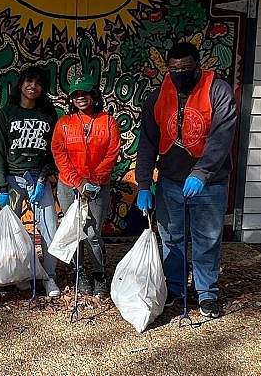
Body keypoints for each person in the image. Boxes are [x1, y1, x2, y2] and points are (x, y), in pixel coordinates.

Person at [134, 42, 237, 319]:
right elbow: (147, 143)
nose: (180, 72)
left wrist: (202, 172)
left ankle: (207, 293)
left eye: (186, 68)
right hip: (170, 181)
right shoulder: (157, 97)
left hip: (210, 183)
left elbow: (222, 137)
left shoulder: (218, 91)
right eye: (175, 68)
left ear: (197, 66)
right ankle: (176, 289)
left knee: (207, 239)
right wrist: (144, 184)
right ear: (168, 68)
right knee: (172, 239)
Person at [0, 66, 61, 297]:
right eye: (29, 82)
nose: (33, 87)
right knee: (14, 230)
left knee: (50, 228)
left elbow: (54, 149)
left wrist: (46, 174)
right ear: (21, 84)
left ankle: (49, 276)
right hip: (13, 180)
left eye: (38, 83)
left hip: (39, 178)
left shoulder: (48, 113)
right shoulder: (6, 113)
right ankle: (21, 273)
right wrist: (2, 186)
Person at [51, 75, 121, 298]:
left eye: (84, 93)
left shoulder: (108, 121)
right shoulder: (64, 124)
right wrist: (78, 181)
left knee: (92, 232)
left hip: (97, 186)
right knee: (74, 230)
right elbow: (59, 154)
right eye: (75, 95)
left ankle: (99, 273)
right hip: (69, 185)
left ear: (94, 95)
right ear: (71, 99)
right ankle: (79, 272)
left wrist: (94, 180)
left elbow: (112, 153)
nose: (80, 98)